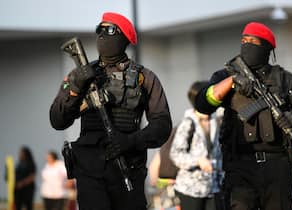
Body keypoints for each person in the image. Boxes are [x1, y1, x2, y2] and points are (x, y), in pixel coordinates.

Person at [49, 12, 172, 210]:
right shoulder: (80, 74)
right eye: (99, 30)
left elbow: (162, 124)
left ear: (124, 37)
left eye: (109, 30)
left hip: (128, 168)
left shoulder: (144, 78)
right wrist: (75, 88)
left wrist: (131, 141)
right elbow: (57, 120)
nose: (102, 36)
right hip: (90, 172)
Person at [195, 22, 292, 210]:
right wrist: (232, 81)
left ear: (267, 47)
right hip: (240, 168)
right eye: (243, 40)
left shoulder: (286, 80)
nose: (246, 45)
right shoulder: (225, 75)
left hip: (278, 167)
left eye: (253, 41)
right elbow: (203, 103)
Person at [170, 81, 224, 210]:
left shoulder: (216, 121)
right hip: (190, 189)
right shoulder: (188, 123)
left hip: (214, 187)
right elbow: (175, 154)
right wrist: (198, 161)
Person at [14, 146, 37, 210]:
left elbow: (32, 176)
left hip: (28, 189)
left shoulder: (31, 163)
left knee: (28, 205)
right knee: (18, 205)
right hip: (18, 189)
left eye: (22, 153)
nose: (20, 154)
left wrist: (22, 183)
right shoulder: (19, 163)